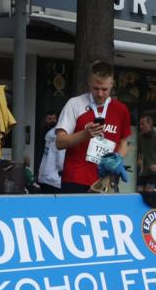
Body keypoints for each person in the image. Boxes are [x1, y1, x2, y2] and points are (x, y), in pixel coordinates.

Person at [54, 61, 132, 193]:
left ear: (112, 85)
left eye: (105, 89)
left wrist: (117, 159)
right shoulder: (75, 104)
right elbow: (60, 142)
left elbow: (123, 143)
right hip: (76, 179)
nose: (100, 94)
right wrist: (85, 134)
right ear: (89, 83)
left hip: (106, 181)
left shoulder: (121, 109)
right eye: (96, 88)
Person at [37, 112, 65, 193]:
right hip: (54, 179)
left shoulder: (50, 133)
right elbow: (60, 161)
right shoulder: (59, 134)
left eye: (54, 119)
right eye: (49, 119)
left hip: (44, 175)